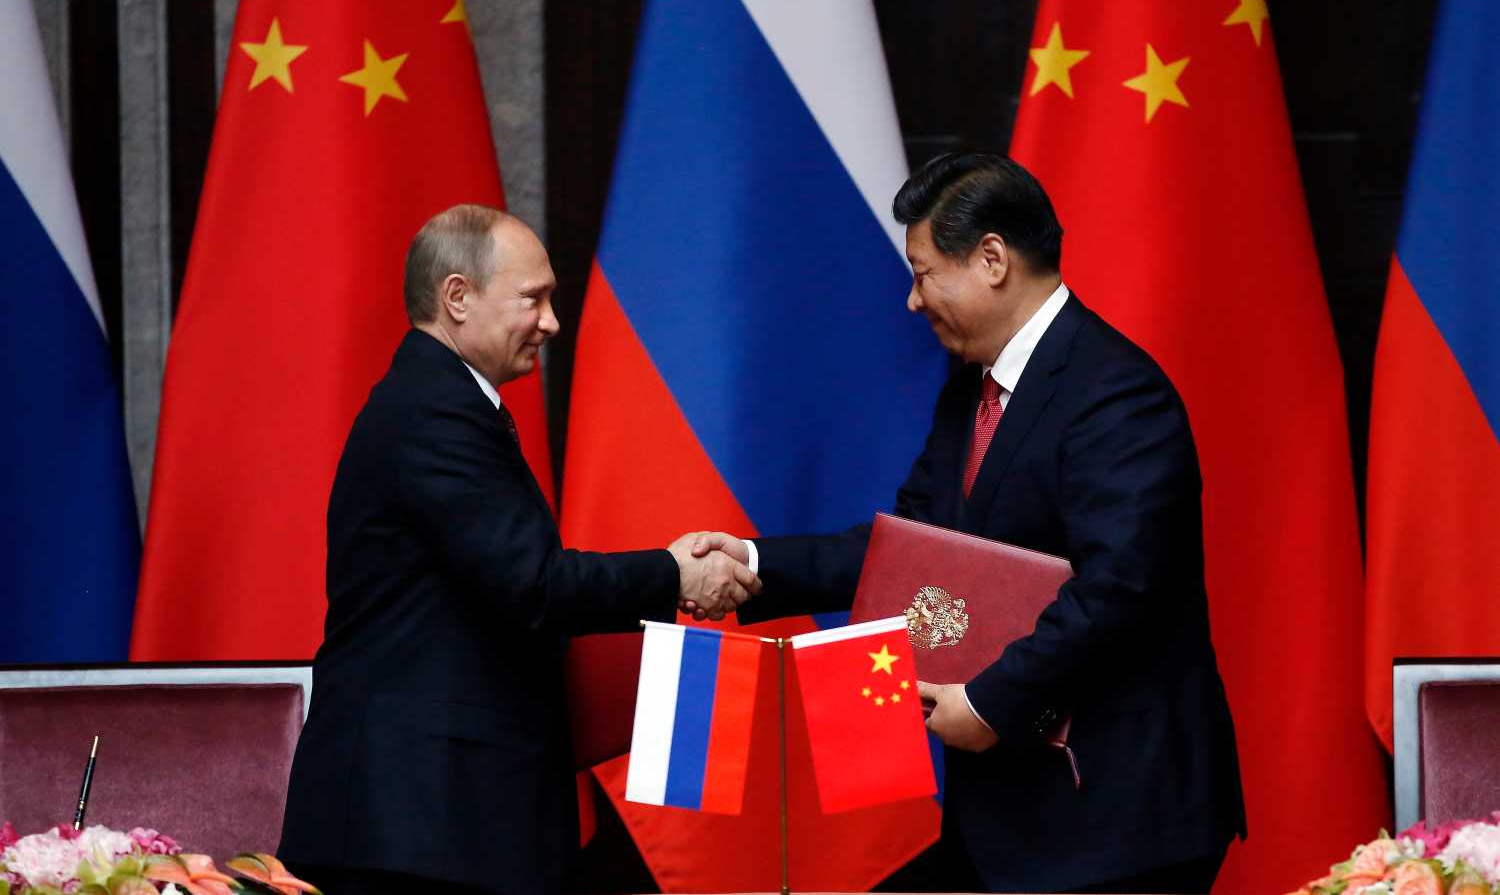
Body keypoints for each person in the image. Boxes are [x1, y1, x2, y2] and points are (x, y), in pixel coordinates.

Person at [686, 155, 1246, 894]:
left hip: (1117, 816)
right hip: (1012, 812)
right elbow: (906, 553)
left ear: (991, 259)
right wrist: (753, 564)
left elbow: (1117, 590)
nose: (913, 301)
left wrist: (986, 702)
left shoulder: (1117, 393)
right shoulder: (970, 393)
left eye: (922, 273)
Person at [278, 205, 757, 895]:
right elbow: (534, 582)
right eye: (533, 298)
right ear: (457, 298)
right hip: (420, 821)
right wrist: (675, 573)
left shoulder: (445, 401)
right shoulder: (434, 410)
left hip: (438, 817)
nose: (552, 322)